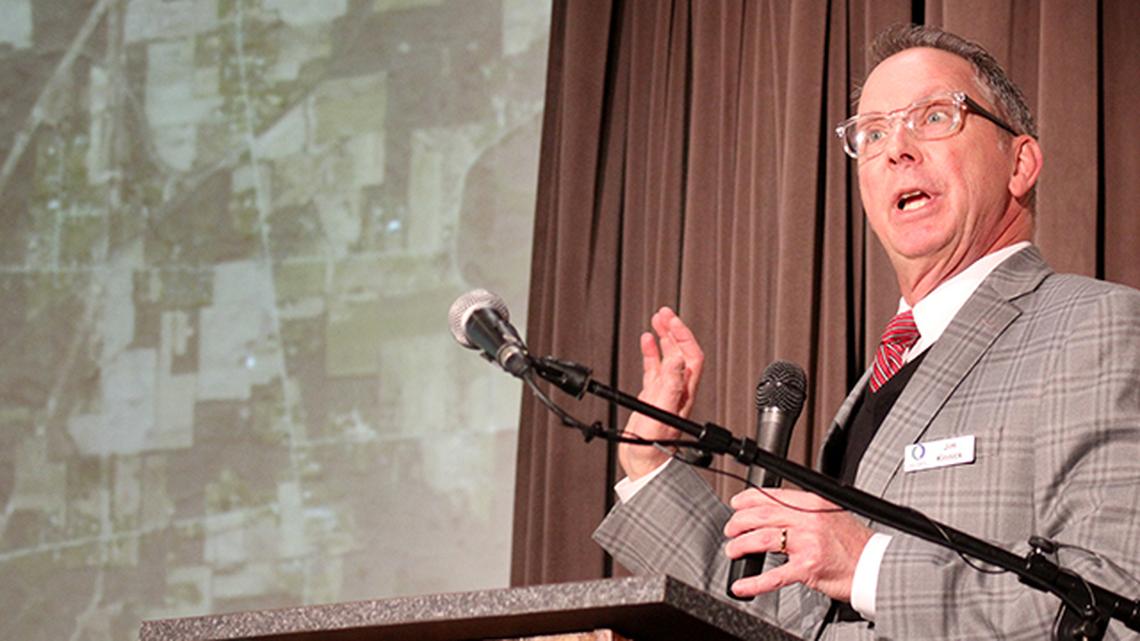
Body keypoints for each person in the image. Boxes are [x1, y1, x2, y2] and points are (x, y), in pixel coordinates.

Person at [593, 24, 1140, 640]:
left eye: (934, 116)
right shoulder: (890, 371)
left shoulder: (1098, 327)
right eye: (872, 133)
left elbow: (1116, 604)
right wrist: (646, 463)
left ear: (1020, 163)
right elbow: (768, 614)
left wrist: (866, 565)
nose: (895, 149)